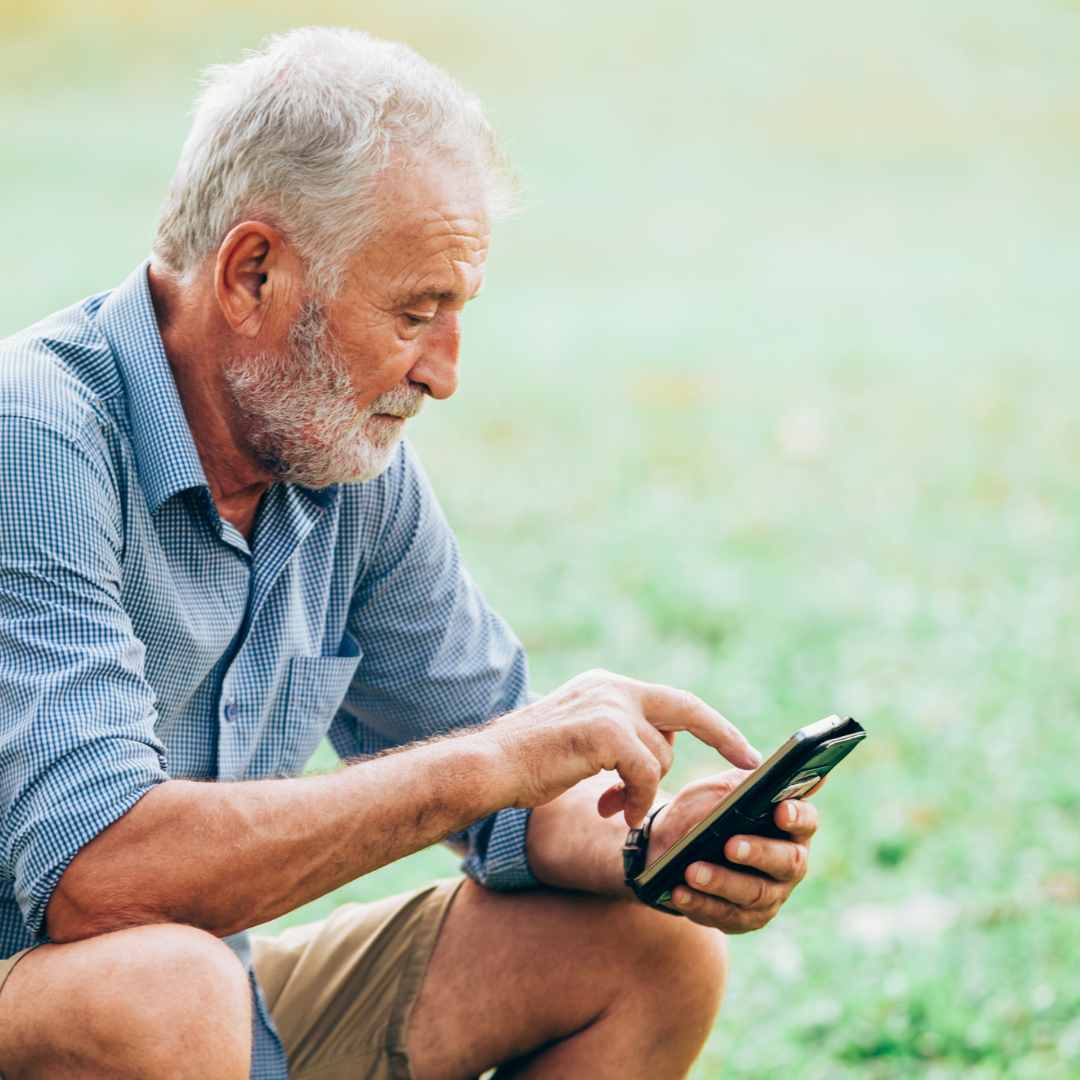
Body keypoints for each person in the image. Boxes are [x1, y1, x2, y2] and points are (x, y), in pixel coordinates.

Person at [0, 27, 820, 1080]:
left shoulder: (337, 462)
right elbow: (97, 874)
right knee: (166, 994)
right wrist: (497, 760)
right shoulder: (34, 436)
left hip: (203, 1011)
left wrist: (646, 844)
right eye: (415, 312)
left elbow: (513, 797)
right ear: (253, 272)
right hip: (84, 1000)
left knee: (650, 948)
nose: (444, 373)